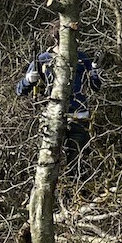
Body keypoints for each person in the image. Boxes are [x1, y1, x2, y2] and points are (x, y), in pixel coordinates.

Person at [15, 22, 102, 172]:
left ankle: (77, 192)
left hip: (79, 117)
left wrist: (95, 73)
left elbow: (96, 86)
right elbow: (20, 91)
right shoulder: (42, 59)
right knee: (48, 165)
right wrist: (28, 80)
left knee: (79, 164)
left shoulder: (82, 58)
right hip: (52, 118)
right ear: (56, 38)